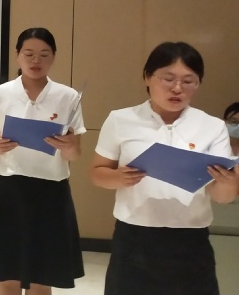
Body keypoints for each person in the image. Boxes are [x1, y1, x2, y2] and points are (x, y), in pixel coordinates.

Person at [90, 42, 239, 295]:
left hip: (191, 241)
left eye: (188, 81)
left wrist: (228, 183)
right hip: (134, 237)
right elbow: (97, 173)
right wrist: (119, 177)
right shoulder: (121, 119)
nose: (177, 88)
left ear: (198, 83)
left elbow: (222, 197)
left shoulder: (212, 127)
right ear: (147, 77)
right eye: (168, 79)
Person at [0, 28, 85, 295]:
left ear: (53, 57)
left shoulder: (68, 97)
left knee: (42, 278)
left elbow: (75, 154)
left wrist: (68, 146)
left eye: (44, 54)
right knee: (6, 275)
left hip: (51, 192)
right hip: (8, 190)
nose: (36, 61)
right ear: (17, 55)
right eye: (29, 54)